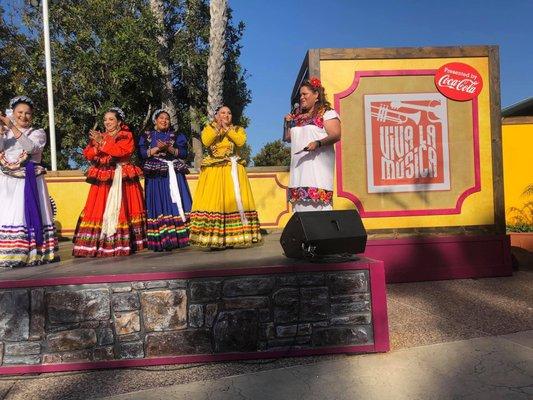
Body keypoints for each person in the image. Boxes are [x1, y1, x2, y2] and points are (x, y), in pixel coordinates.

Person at [73, 107, 146, 257]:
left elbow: (122, 152)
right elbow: (88, 154)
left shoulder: (126, 135)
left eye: (111, 119)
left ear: (119, 122)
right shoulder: (102, 135)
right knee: (98, 207)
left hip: (121, 175)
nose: (107, 122)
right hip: (104, 177)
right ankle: (98, 242)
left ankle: (122, 242)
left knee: (121, 208)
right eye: (105, 119)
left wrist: (102, 142)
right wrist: (96, 144)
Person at [189, 105, 262, 249]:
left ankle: (236, 237)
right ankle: (213, 238)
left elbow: (240, 141)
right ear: (216, 116)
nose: (226, 115)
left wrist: (227, 129)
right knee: (215, 203)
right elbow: (206, 141)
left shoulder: (237, 129)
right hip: (214, 171)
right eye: (222, 113)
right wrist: (218, 128)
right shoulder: (209, 128)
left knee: (233, 201)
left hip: (232, 169)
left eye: (229, 113)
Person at [0, 96, 59, 267]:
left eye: (27, 113)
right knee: (8, 215)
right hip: (6, 181)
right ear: (13, 113)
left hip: (29, 181)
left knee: (23, 215)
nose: (23, 116)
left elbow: (32, 148)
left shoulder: (38, 133)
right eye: (20, 112)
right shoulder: (6, 133)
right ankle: (8, 254)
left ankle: (31, 252)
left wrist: (11, 126)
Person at [284, 77, 341, 212]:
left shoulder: (326, 113)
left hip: (317, 174)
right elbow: (288, 138)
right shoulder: (298, 117)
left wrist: (318, 143)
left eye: (305, 94)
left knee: (317, 218)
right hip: (298, 174)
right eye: (300, 95)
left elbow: (336, 134)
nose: (301, 98)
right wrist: (287, 124)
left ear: (316, 95)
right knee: (300, 216)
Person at [138, 109, 192, 251]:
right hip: (156, 173)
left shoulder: (176, 135)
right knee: (158, 202)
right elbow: (142, 153)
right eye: (161, 118)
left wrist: (170, 149)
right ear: (155, 120)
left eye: (167, 118)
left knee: (176, 200)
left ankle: (181, 236)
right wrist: (157, 148)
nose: (164, 120)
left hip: (173, 171)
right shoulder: (147, 135)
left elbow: (184, 153)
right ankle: (162, 238)